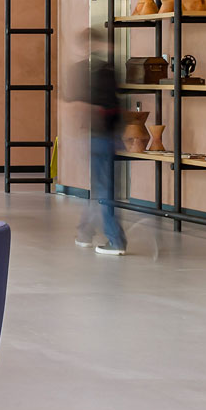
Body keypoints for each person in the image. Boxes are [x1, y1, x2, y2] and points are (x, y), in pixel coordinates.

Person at [76, 30, 127, 256]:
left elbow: (96, 105)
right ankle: (85, 232)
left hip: (101, 137)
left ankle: (115, 240)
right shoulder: (108, 68)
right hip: (107, 136)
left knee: (103, 189)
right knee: (101, 188)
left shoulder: (94, 71)